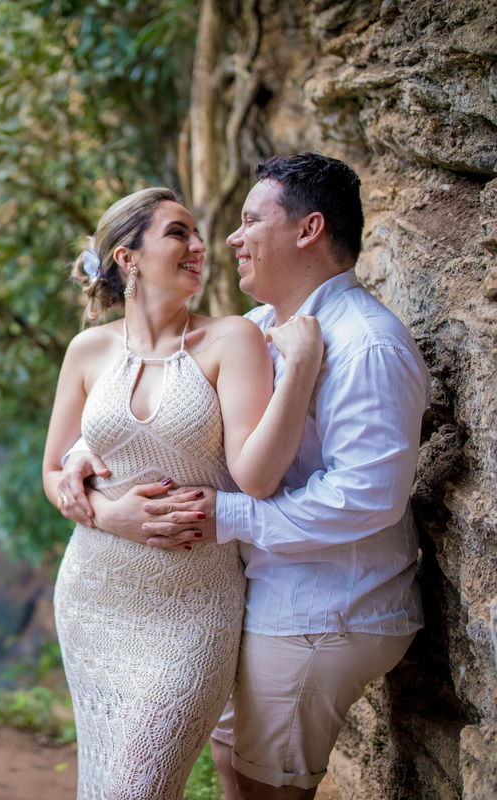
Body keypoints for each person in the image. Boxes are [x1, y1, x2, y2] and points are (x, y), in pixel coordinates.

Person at [58, 153, 427, 799]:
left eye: (250, 221)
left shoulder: (366, 342)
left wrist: (226, 516)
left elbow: (368, 495)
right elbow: (173, 417)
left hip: (323, 606)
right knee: (232, 772)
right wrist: (80, 457)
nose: (226, 240)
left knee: (260, 791)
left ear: (308, 230)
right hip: (257, 594)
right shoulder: (257, 329)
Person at [41, 186, 324, 799]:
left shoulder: (232, 340)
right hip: (94, 597)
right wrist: (110, 514)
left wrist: (298, 372)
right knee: (106, 782)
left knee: (137, 786)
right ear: (127, 257)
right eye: (178, 233)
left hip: (193, 611)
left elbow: (256, 476)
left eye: (197, 235)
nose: (201, 246)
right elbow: (52, 474)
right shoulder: (86, 351)